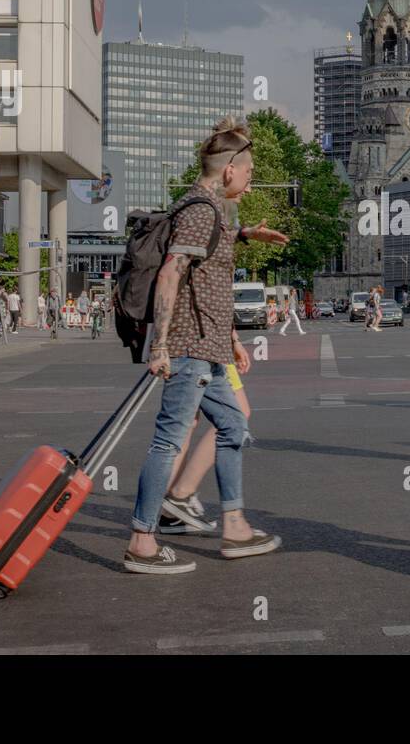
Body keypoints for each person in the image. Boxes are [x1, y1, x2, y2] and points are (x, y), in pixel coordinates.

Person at [124, 117, 287, 573]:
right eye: (250, 173)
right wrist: (159, 347)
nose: (251, 184)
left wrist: (230, 336)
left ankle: (234, 526)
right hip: (189, 348)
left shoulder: (210, 212)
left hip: (209, 347)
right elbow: (172, 272)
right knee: (169, 440)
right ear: (230, 168)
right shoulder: (200, 210)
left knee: (233, 427)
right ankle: (142, 540)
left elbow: (204, 270)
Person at [159, 361, 253, 536]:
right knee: (236, 414)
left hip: (186, 348)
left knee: (185, 420)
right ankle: (181, 495)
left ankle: (169, 512)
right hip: (209, 348)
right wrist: (234, 340)